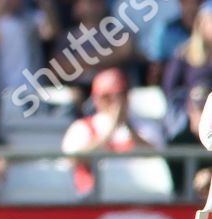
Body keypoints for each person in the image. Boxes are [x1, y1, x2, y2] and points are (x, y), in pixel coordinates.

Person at [61, 68, 164, 196]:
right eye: (107, 96)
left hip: (139, 196)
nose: (116, 101)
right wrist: (110, 131)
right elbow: (73, 160)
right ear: (96, 99)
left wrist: (130, 131)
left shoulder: (145, 126)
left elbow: (160, 157)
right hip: (94, 200)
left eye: (121, 94)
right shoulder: (81, 128)